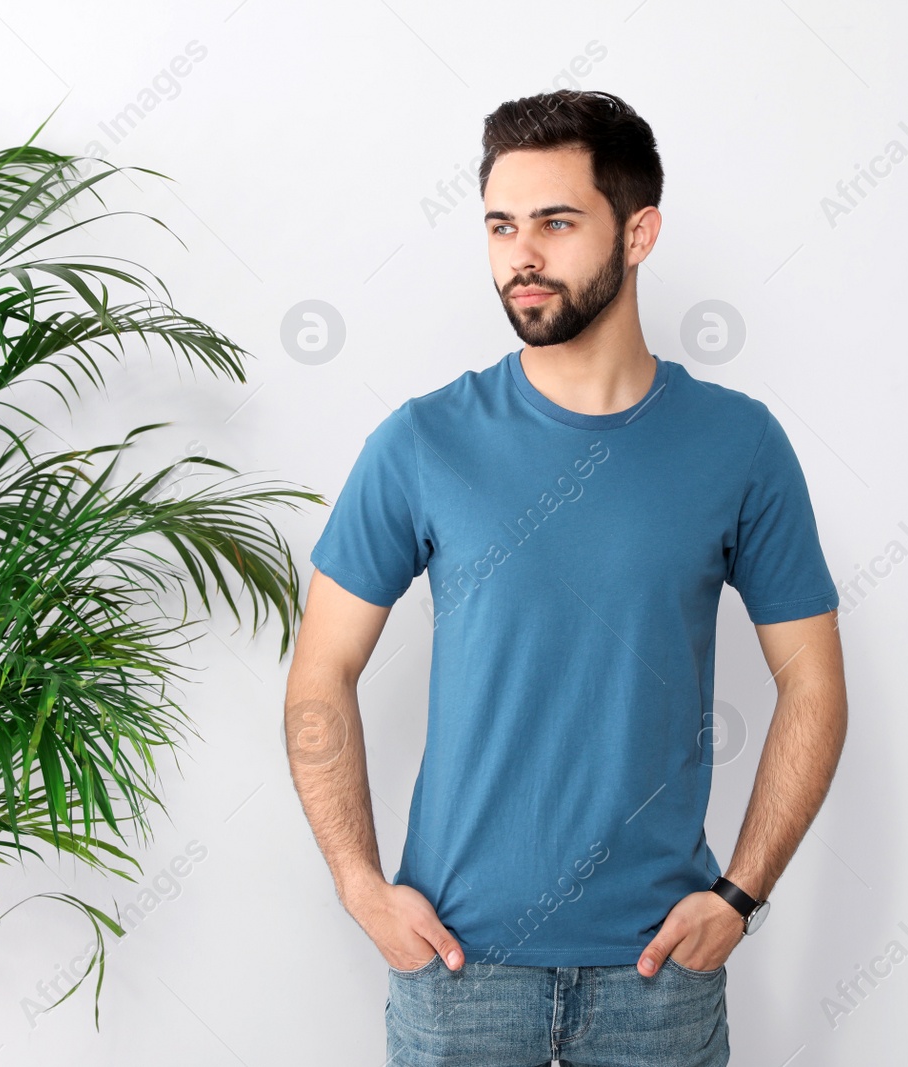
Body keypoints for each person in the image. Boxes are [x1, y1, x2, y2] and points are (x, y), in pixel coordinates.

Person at [284, 88, 848, 1067]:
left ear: (639, 233)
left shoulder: (739, 443)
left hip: (656, 975)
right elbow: (318, 672)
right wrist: (358, 883)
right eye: (501, 225)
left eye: (554, 221)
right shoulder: (423, 441)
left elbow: (814, 682)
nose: (522, 256)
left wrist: (740, 895)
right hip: (458, 970)